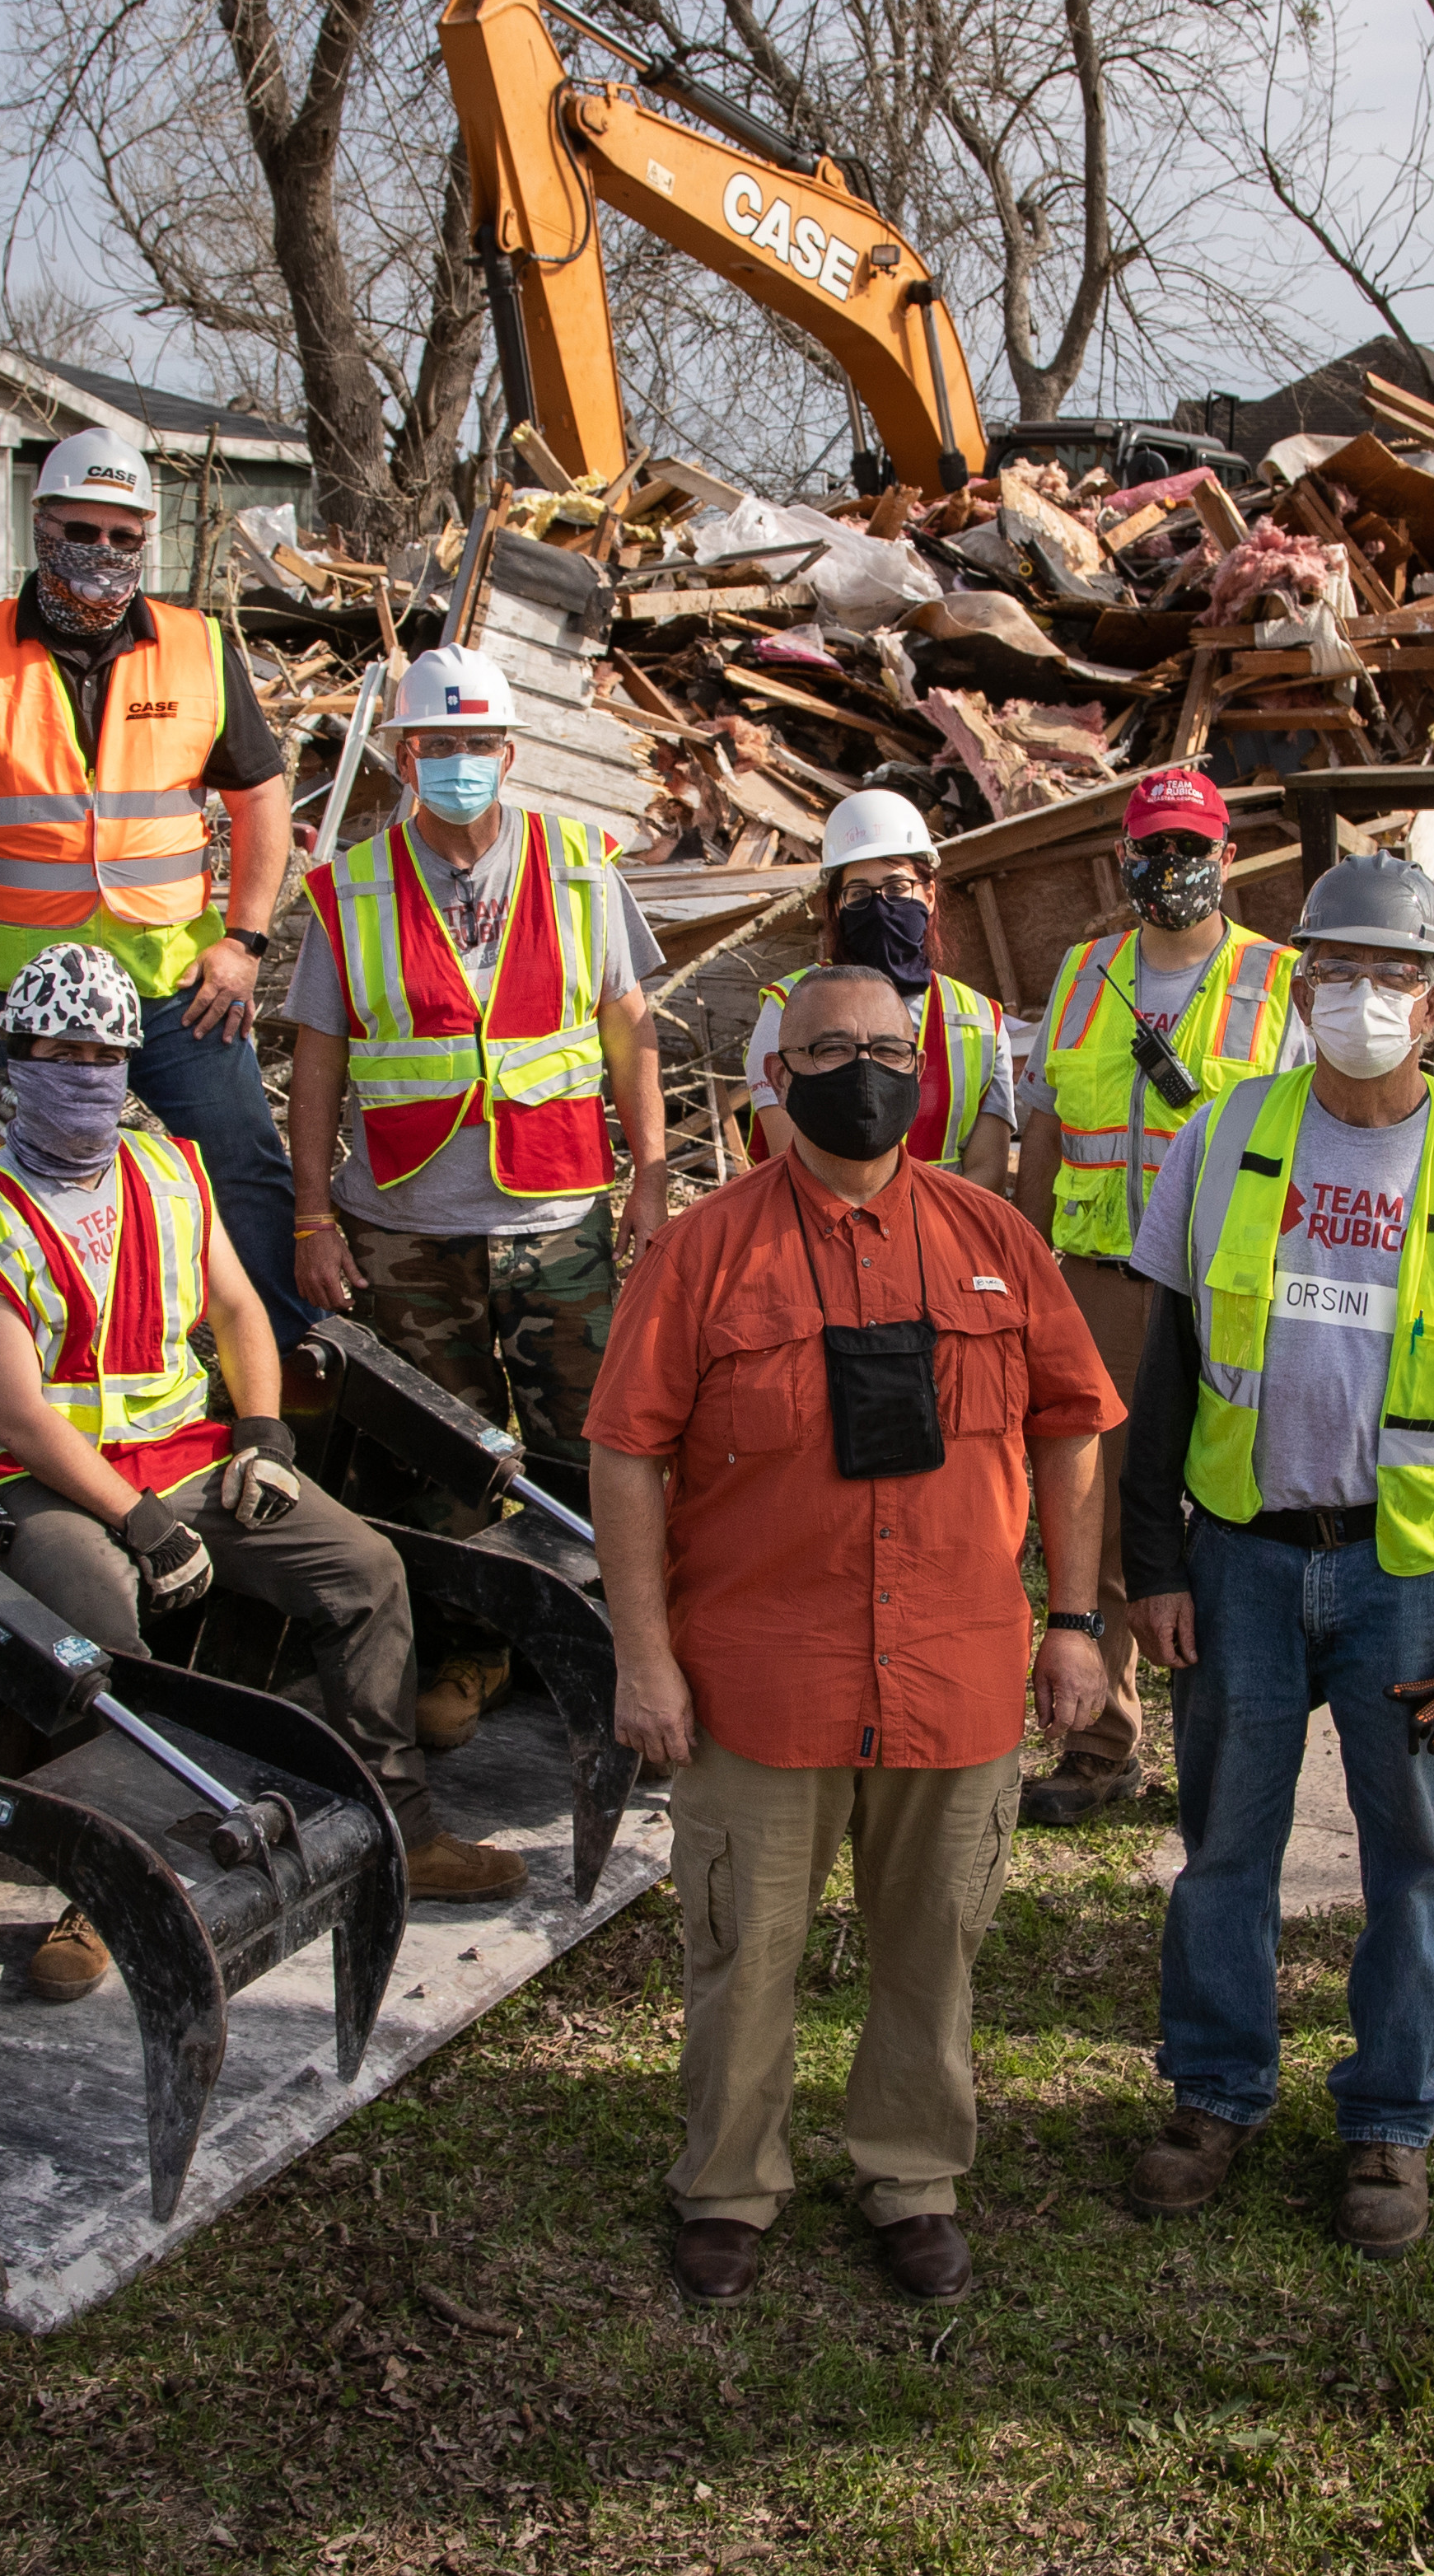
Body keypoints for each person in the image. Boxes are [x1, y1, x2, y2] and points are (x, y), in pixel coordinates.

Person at [585, 965, 1122, 2307]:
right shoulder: (700, 1253)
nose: (865, 1069)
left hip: (957, 1672)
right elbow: (624, 1456)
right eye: (831, 1048)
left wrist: (1073, 1622)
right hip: (760, 1683)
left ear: (921, 1068)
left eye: (889, 1047)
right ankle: (727, 2179)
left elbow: (1072, 1429)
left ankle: (912, 2170)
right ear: (778, 1076)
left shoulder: (997, 1236)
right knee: (742, 1951)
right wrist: (642, 1658)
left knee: (933, 1944)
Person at [1114, 858, 1434, 2256]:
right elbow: (1170, 1369)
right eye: (1334, 971)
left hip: (1415, 1581)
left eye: (1389, 976)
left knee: (1413, 1861)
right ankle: (1214, 2091)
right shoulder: (1219, 1140)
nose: (1358, 998)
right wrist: (1151, 1561)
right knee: (1223, 1850)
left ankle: (1390, 2120)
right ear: (1299, 985)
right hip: (1244, 1565)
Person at [0, 944, 529, 2001]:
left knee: (365, 1568)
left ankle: (403, 1827)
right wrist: (140, 1523)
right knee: (98, 1629)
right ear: (16, 1059)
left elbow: (239, 1310)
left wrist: (264, 1435)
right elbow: (16, 1417)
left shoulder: (167, 1170)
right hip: (43, 1484)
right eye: (59, 1054)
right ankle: (105, 1893)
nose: (86, 1074)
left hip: (187, 1456)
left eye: (106, 1054)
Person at [0, 428, 308, 1349]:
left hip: (173, 990)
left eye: (122, 536)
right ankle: (22, 1376)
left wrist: (246, 941)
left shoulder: (194, 645)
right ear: (40, 525)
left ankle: (284, 1368)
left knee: (241, 1169)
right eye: (80, 529)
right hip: (17, 1001)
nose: (100, 552)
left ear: (147, 537)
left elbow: (262, 798)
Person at [286, 643, 674, 1548]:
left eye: (480, 743)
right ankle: (473, 1653)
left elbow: (630, 1030)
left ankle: (599, 1636)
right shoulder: (353, 888)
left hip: (557, 1221)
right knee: (439, 1462)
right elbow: (318, 1058)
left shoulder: (577, 865)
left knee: (588, 1450)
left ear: (510, 754)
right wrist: (312, 1216)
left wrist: (651, 1175)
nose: (461, 764)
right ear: (402, 755)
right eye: (437, 744)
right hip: (404, 1228)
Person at [1008, 767, 1304, 1826]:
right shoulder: (1086, 975)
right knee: (1097, 1508)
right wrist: (1024, 1259)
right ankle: (1101, 1745)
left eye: (1190, 849)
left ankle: (1231, 1739)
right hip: (1096, 1283)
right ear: (1124, 858)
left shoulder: (1282, 985)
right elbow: (1044, 1126)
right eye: (1153, 849)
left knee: (1228, 1514)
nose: (1169, 868)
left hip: (1228, 1291)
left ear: (1225, 858)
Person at [744, 790, 1012, 1184]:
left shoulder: (983, 1019)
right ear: (835, 907)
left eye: (897, 888)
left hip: (944, 1235)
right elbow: (793, 1168)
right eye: (858, 895)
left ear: (930, 894)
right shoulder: (786, 1011)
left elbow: (987, 1168)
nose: (881, 908)